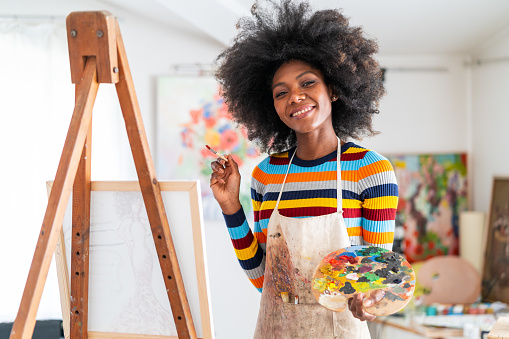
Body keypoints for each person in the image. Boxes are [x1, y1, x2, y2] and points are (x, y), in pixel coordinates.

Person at [209, 1, 398, 337]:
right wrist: (231, 207)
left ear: (335, 90)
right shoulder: (267, 175)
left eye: (307, 83)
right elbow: (263, 282)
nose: (295, 96)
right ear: (272, 106)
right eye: (281, 92)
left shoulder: (372, 171)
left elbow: (376, 277)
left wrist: (368, 297)